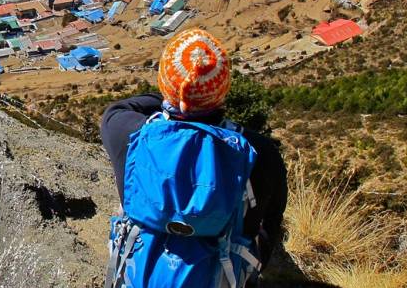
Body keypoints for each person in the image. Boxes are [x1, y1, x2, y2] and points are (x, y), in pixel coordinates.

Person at [100, 28, 288, 267]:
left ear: (165, 84)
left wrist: (175, 93)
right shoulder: (258, 152)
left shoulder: (124, 130)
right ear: (223, 90)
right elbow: (271, 223)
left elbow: (118, 108)